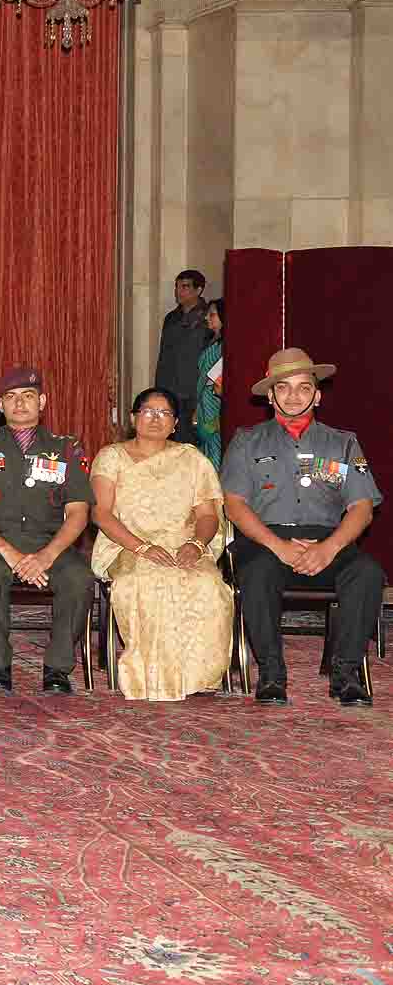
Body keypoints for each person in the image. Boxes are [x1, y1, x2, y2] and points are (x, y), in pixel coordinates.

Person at [221, 347, 384, 707]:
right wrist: (278, 546)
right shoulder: (247, 442)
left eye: (304, 387)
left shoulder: (343, 443)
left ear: (318, 395)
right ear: (270, 395)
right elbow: (234, 504)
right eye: (284, 387)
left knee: (368, 574)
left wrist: (328, 548)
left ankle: (346, 674)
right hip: (266, 539)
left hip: (329, 539)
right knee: (258, 572)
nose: (294, 395)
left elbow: (361, 508)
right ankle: (272, 674)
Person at [0, 365, 94, 696]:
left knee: (79, 578)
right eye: (11, 397)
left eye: (28, 396)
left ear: (42, 402)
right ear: (0, 406)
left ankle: (57, 668)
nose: (20, 404)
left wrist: (46, 556)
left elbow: (78, 512)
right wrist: (10, 553)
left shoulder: (67, 448)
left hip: (51, 544)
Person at [88, 388, 232, 700]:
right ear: (133, 418)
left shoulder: (192, 459)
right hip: (126, 544)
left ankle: (198, 677)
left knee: (208, 585)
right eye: (148, 411)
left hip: (185, 542)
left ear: (176, 423)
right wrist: (142, 547)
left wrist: (196, 543)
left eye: (164, 413)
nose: (156, 418)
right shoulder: (111, 457)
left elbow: (208, 515)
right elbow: (101, 513)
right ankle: (153, 679)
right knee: (148, 582)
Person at [154, 270, 212, 445]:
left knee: (191, 443)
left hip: (195, 391)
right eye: (177, 286)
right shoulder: (171, 318)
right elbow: (163, 356)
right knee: (169, 441)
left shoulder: (208, 318)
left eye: (185, 286)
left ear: (199, 289)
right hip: (169, 389)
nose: (179, 291)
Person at [194, 297, 225, 466]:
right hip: (204, 405)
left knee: (216, 451)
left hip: (216, 404)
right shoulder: (213, 343)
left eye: (212, 314)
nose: (207, 318)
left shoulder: (228, 346)